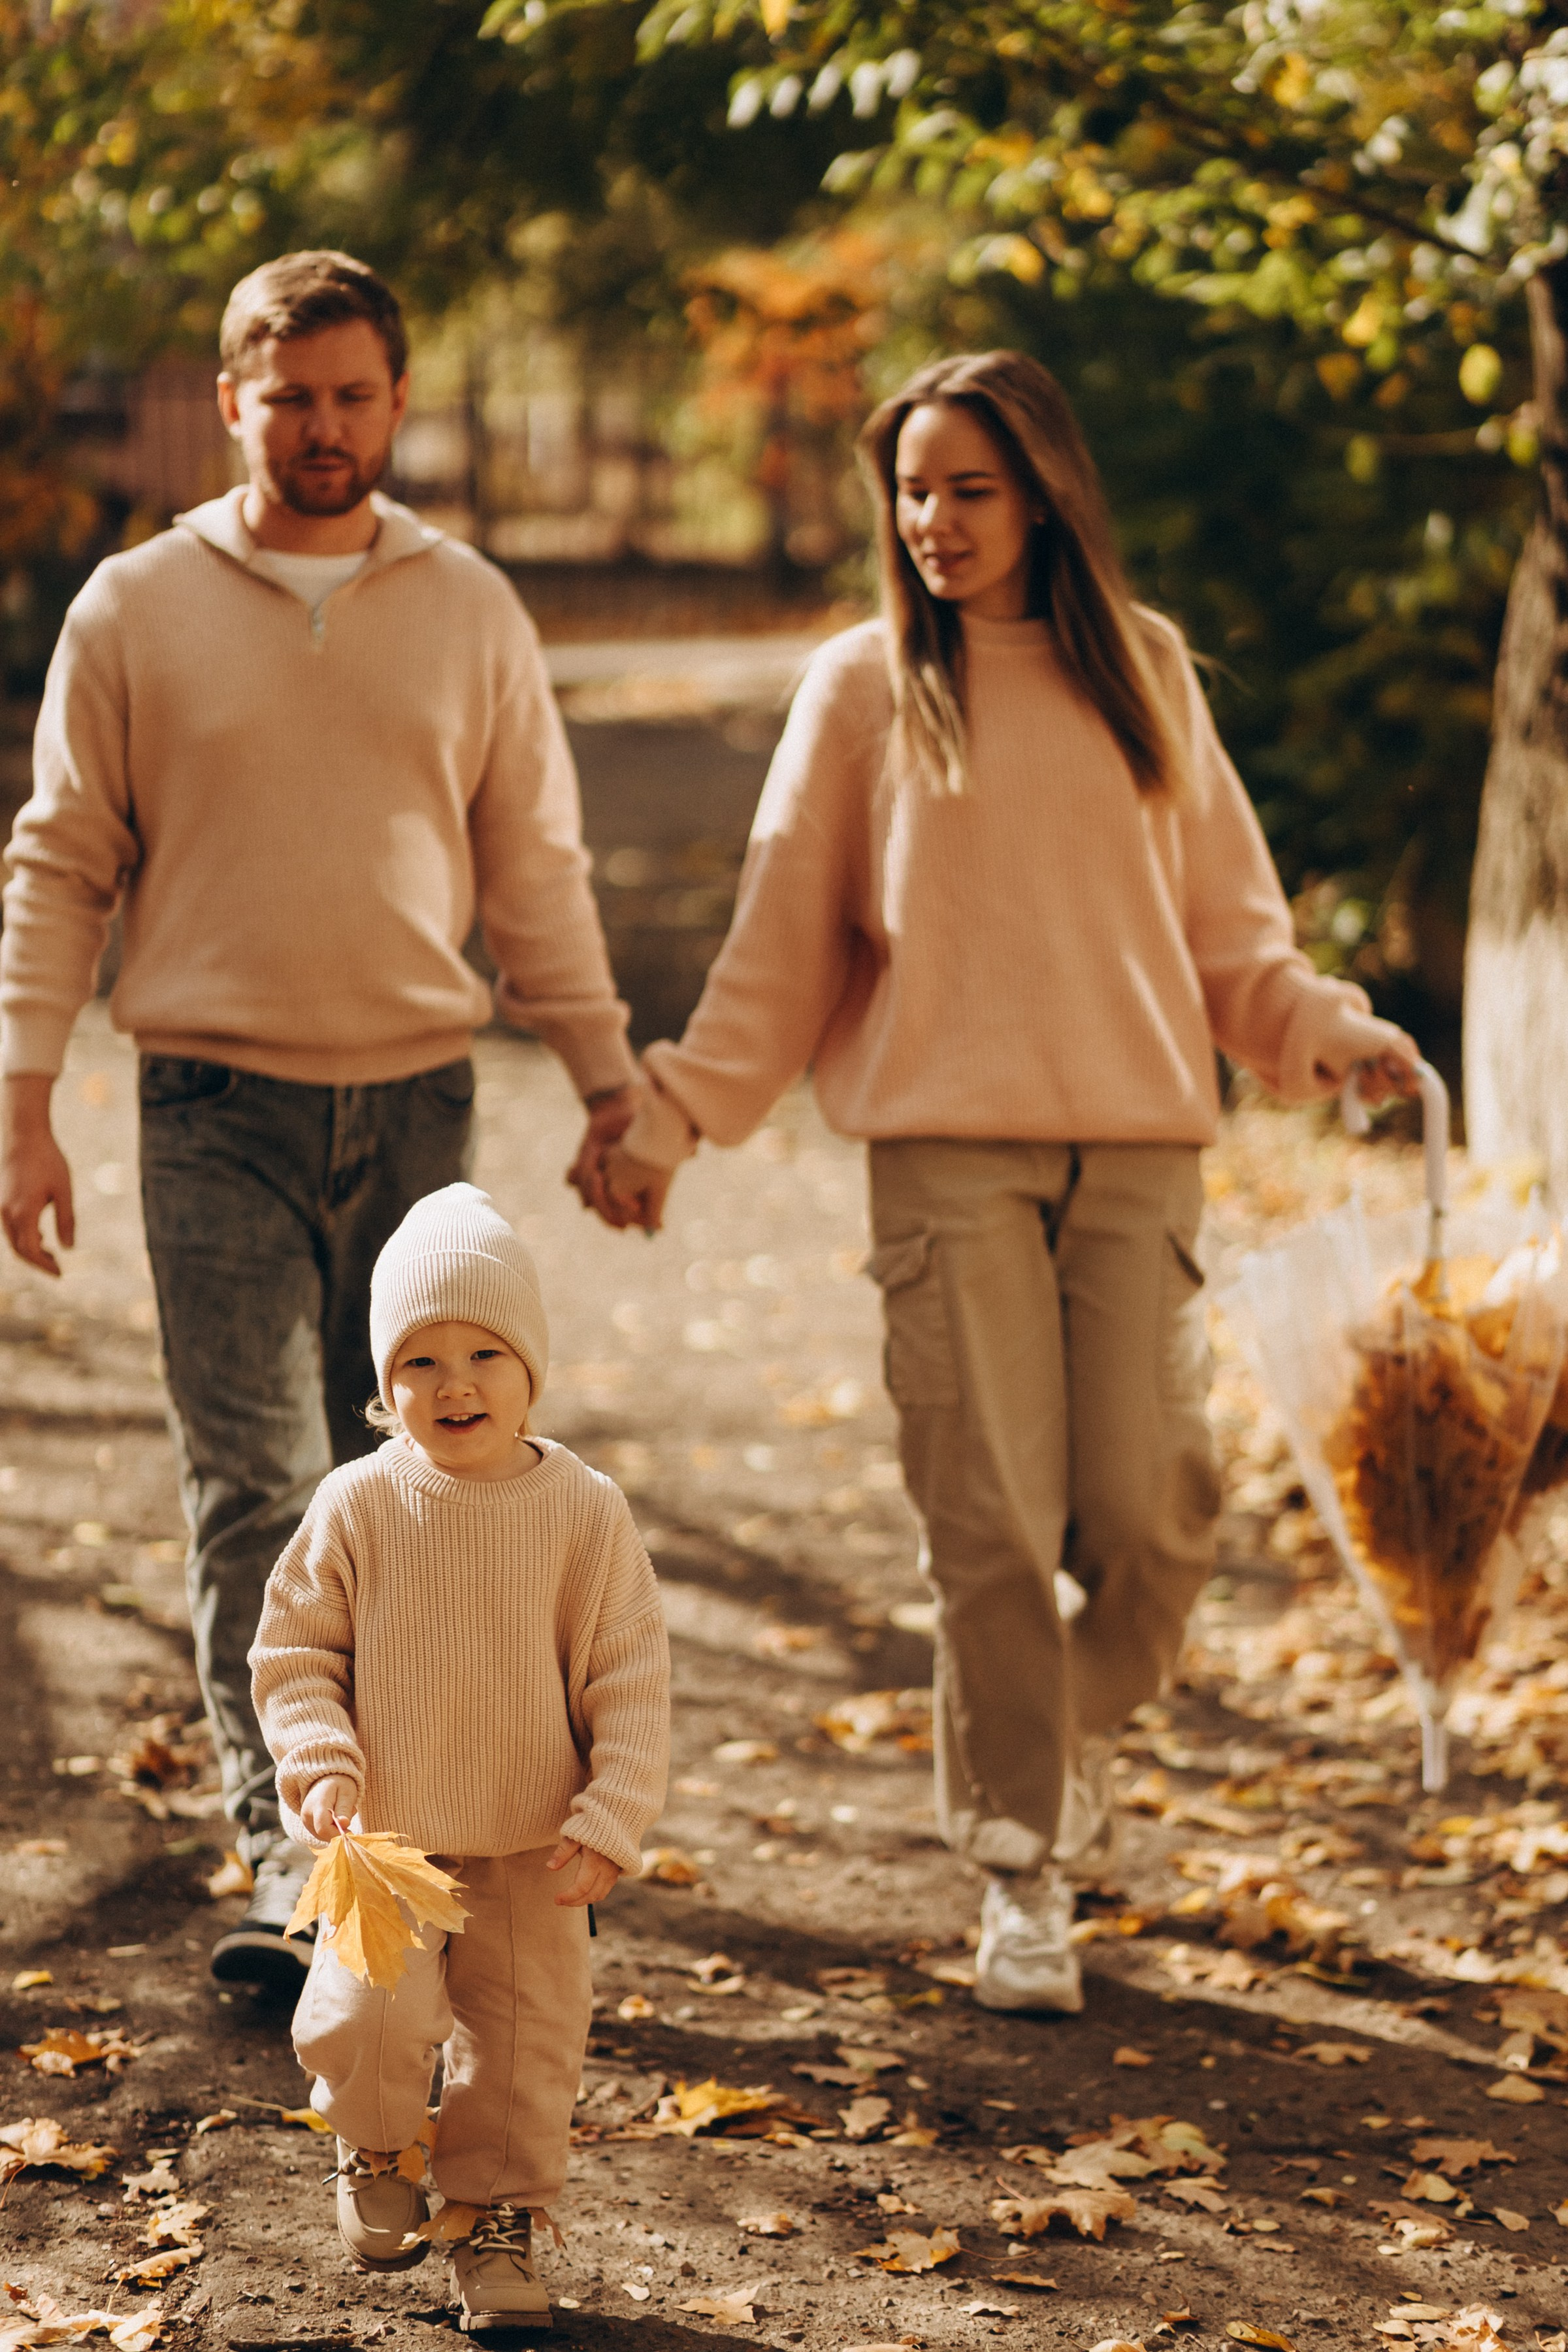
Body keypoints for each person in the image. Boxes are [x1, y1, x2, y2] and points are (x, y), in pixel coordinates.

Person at [573, 348, 1420, 2015]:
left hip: (1138, 1150)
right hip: (944, 1151)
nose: (936, 522)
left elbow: (1231, 933)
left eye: (969, 488)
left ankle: (1046, 1737)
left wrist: (1328, 1035)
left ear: (1042, 494)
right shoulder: (865, 689)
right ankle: (1022, 1866)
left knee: (1161, 1515)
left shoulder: (1146, 673)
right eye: (912, 491)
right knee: (992, 1528)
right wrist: (667, 1118)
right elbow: (781, 950)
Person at [0, 250, 640, 1993]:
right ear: (232, 402)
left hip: (418, 1103)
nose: (324, 427)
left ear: (398, 404)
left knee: (425, 1479)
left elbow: (536, 869)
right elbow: (61, 862)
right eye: (291, 396)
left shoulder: (470, 607)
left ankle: (421, 1833)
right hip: (208, 1100)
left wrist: (603, 1078)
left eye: (355, 396)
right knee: (253, 1490)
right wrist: (23, 1100)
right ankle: (304, 1864)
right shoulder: (133, 607)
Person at [251, 1183, 669, 2326]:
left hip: (537, 1843)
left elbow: (630, 1676)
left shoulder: (582, 1511)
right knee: (366, 2015)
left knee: (528, 2048)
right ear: (386, 1387)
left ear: (532, 1367)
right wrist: (319, 1758)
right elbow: (295, 1652)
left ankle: (494, 2219)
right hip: (383, 1842)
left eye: (485, 1351)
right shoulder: (358, 1504)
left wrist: (611, 1812)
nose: (455, 1382)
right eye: (420, 1361)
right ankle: (379, 2151)